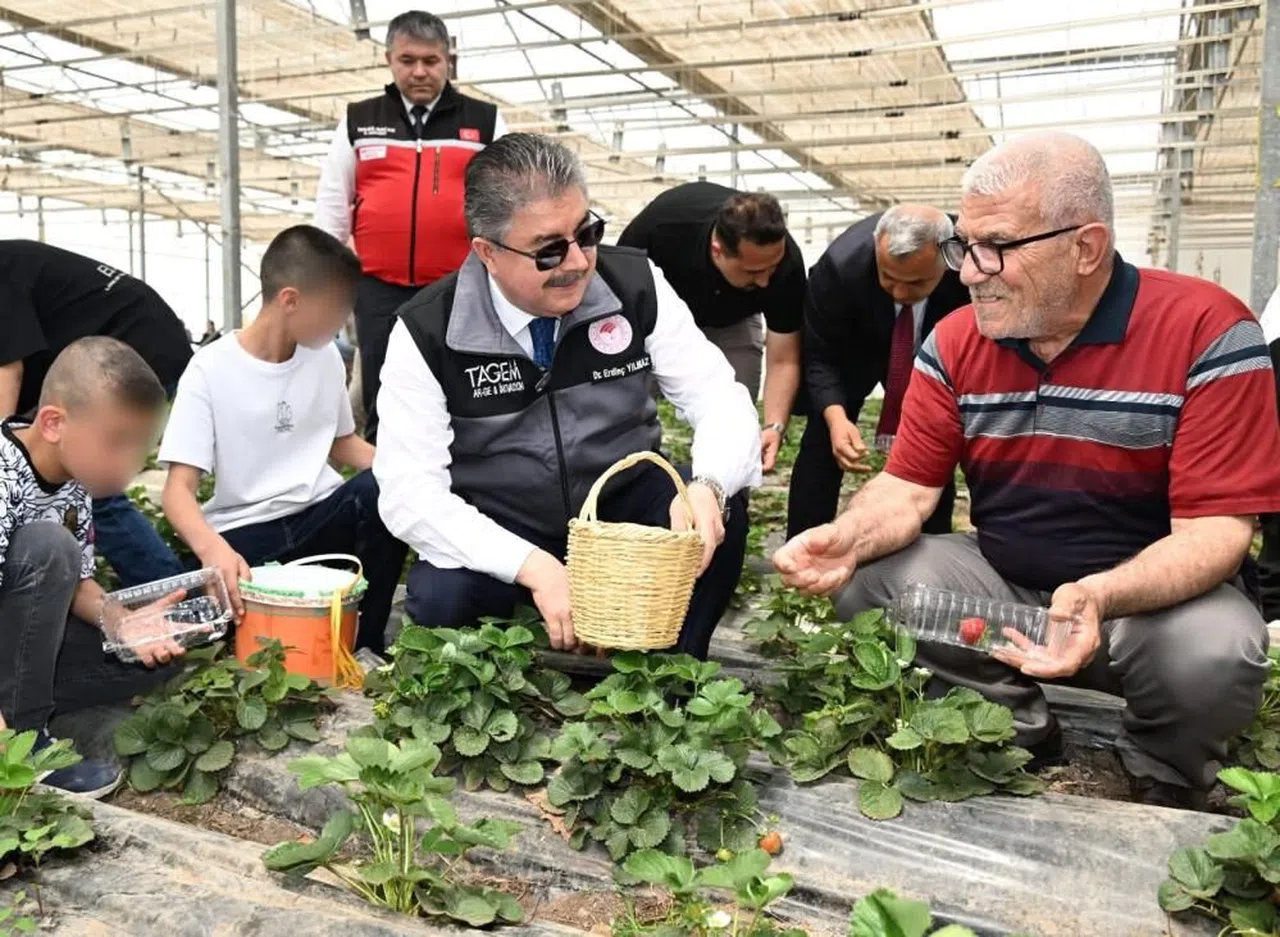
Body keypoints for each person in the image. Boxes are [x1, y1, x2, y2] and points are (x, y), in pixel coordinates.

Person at [775, 131, 1280, 809]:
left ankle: (1162, 770)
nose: (968, 271)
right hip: (1006, 591)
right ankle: (1017, 728)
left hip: (1146, 610)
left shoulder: (1207, 331)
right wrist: (851, 535)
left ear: (1086, 247)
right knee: (873, 578)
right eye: (965, 243)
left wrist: (1099, 595)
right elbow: (909, 486)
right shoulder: (956, 342)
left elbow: (1216, 532)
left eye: (997, 247)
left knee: (1214, 648)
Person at [374, 134, 760, 659]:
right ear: (488, 253)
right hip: (501, 522)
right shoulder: (427, 331)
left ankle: (672, 677)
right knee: (446, 596)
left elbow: (719, 397)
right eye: (549, 249)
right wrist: (535, 567)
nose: (578, 262)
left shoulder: (635, 284)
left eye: (588, 233)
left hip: (621, 512)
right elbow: (409, 494)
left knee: (721, 514)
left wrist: (708, 486)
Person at [159, 226, 408, 654]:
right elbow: (177, 492)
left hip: (319, 518)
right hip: (245, 535)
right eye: (334, 312)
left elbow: (341, 443)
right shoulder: (210, 369)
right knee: (191, 620)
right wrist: (214, 551)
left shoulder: (325, 358)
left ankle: (364, 645)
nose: (339, 327)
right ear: (290, 300)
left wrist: (409, 471)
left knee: (387, 484)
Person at [314, 9, 508, 443]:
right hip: (379, 289)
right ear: (389, 59)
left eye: (431, 60)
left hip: (462, 285)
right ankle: (383, 486)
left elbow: (509, 201)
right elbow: (332, 205)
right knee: (385, 391)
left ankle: (467, 477)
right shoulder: (359, 121)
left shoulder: (486, 121)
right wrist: (325, 281)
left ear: (448, 60)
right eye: (407, 60)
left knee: (464, 384)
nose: (419, 71)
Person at [0, 337, 180, 797]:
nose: (129, 464)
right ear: (55, 422)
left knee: (148, 657)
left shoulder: (73, 477)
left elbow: (75, 582)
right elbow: (53, 560)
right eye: (117, 442)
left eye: (141, 447)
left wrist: (122, 622)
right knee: (48, 545)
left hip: (17, 641)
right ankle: (23, 744)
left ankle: (23, 702)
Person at [0, 239, 191, 588]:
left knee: (90, 480)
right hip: (134, 338)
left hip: (134, 347)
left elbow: (7, 370)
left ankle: (171, 596)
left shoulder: (3, 266)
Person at [786, 207, 970, 540]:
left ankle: (933, 544)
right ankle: (803, 544)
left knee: (935, 441)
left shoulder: (972, 266)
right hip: (857, 349)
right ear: (876, 246)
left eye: (917, 283)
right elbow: (821, 357)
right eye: (889, 278)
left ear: (949, 258)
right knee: (822, 441)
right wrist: (837, 419)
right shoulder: (839, 269)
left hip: (935, 353)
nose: (900, 293)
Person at [618, 183, 804, 471]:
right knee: (626, 414)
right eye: (753, 271)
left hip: (734, 323)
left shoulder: (786, 263)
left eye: (772, 268)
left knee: (735, 424)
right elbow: (620, 302)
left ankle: (726, 503)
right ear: (717, 250)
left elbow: (783, 358)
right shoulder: (663, 228)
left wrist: (774, 426)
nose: (766, 281)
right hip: (655, 323)